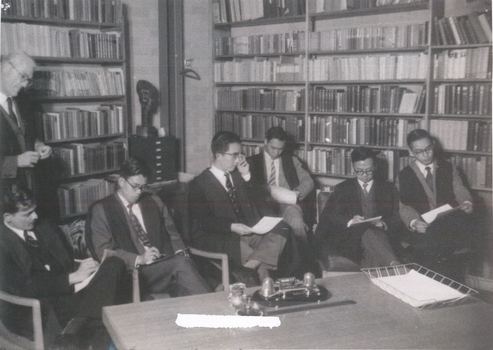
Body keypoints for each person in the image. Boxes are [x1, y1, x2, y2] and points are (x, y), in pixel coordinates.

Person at [0, 186, 128, 349]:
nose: (36, 216)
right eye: (27, 214)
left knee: (115, 264)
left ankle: (73, 331)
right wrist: (70, 278)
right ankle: (94, 338)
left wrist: (86, 267)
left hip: (71, 294)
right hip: (41, 306)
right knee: (105, 300)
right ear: (8, 218)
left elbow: (66, 259)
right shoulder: (3, 244)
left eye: (34, 210)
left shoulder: (44, 225)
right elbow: (22, 287)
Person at [86, 157, 211, 297]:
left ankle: (209, 311)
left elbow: (172, 233)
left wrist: (180, 251)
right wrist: (138, 259)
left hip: (163, 266)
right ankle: (215, 310)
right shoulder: (102, 209)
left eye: (143, 187)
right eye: (135, 186)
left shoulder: (153, 200)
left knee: (185, 282)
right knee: (183, 268)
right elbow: (103, 251)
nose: (139, 192)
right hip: (132, 273)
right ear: (121, 182)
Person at [188, 131, 300, 286]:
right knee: (263, 264)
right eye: (234, 155)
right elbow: (202, 221)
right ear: (219, 155)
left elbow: (261, 200)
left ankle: (249, 267)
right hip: (225, 236)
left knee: (283, 228)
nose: (238, 160)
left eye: (240, 154)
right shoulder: (199, 184)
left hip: (250, 230)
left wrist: (247, 175)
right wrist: (232, 226)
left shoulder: (239, 175)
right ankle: (263, 287)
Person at [396, 129, 476, 278]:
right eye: (419, 151)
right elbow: (404, 205)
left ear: (433, 145)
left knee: (446, 249)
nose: (425, 155)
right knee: (431, 250)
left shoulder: (448, 167)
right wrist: (413, 222)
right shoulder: (404, 175)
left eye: (428, 149)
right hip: (423, 227)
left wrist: (466, 202)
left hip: (448, 223)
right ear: (411, 151)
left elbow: (459, 189)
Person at [313, 147, 402, 268]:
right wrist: (350, 221)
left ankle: (387, 273)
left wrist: (384, 223)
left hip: (380, 235)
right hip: (350, 237)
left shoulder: (388, 188)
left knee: (372, 241)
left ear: (375, 166)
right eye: (360, 171)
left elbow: (397, 216)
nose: (365, 175)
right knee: (369, 234)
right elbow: (330, 216)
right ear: (353, 169)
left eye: (369, 170)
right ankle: (395, 265)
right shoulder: (343, 188)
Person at [247, 126, 314, 242]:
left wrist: (296, 194)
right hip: (261, 207)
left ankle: (301, 259)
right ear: (265, 142)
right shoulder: (251, 162)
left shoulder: (292, 161)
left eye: (280, 149)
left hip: (288, 205)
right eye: (273, 148)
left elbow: (308, 182)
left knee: (297, 223)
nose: (276, 152)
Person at [0, 50, 52, 191]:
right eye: (23, 77)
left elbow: (29, 134)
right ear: (5, 68)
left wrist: (37, 145)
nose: (24, 85)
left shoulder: (23, 101)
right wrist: (15, 162)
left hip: (27, 189)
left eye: (28, 80)